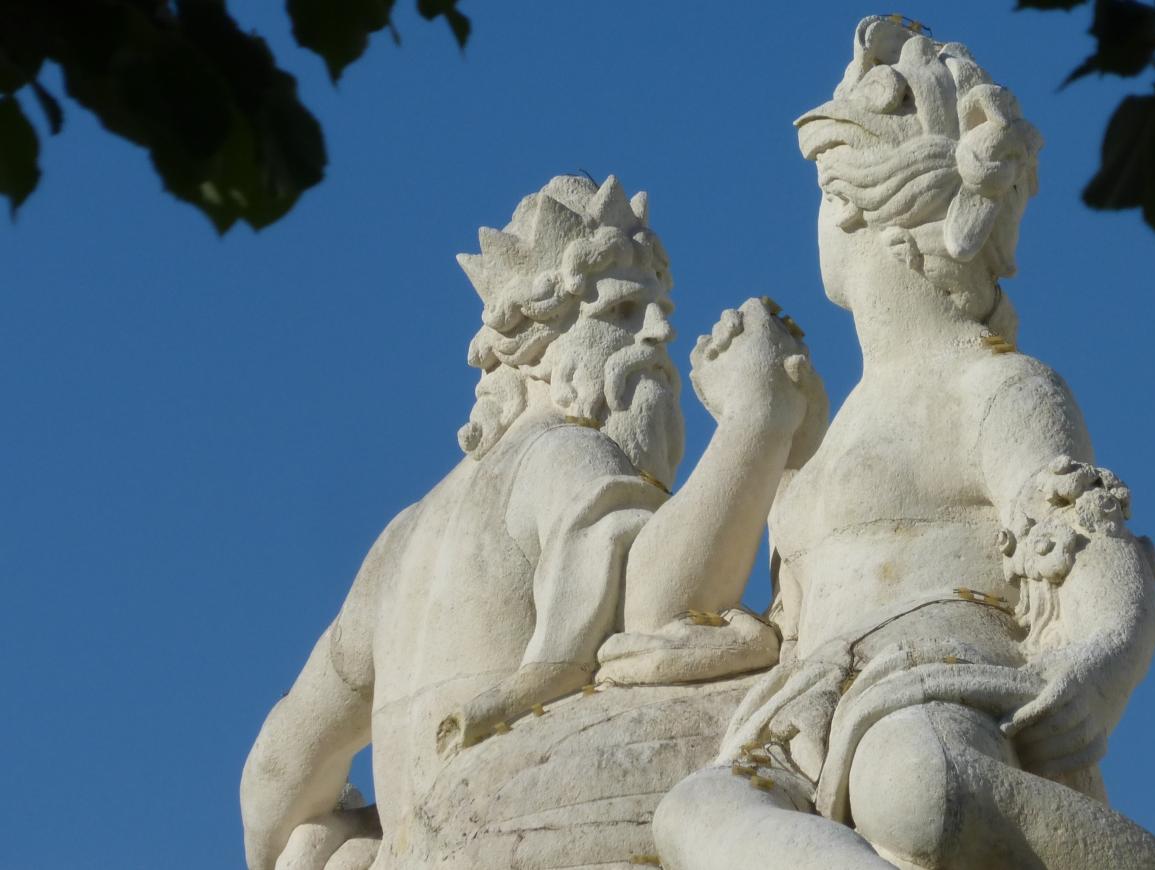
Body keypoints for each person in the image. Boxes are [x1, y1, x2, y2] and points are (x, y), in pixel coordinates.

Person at [653, 18, 1155, 869]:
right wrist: (762, 425)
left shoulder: (997, 385)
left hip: (945, 690)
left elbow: (1085, 541)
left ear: (849, 205)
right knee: (693, 808)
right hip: (810, 720)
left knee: (913, 779)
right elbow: (723, 622)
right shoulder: (821, 445)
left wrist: (1103, 658)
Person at [240, 175, 821, 870]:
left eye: (659, 311)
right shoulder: (562, 454)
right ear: (541, 341)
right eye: (625, 311)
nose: (659, 333)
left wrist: (346, 839)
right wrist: (758, 420)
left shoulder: (398, 543)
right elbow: (658, 605)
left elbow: (275, 771)